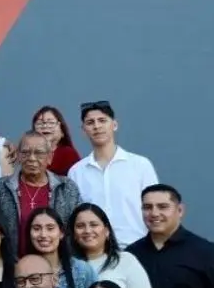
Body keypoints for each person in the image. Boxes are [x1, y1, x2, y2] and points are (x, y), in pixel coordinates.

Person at [67, 101, 159, 247]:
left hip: (137, 248)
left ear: (114, 125)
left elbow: (155, 207)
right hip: (94, 251)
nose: (97, 126)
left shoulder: (140, 165)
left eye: (102, 120)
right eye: (90, 122)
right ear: (84, 130)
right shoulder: (76, 172)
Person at [70, 203, 153, 288]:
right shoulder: (68, 266)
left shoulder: (125, 260)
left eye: (94, 224)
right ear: (73, 234)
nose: (87, 230)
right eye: (80, 226)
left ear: (107, 230)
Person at [0, 132, 81, 255]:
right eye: (25, 153)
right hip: (15, 266)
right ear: (18, 155)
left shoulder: (67, 188)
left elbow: (75, 229)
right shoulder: (1, 187)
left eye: (39, 153)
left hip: (57, 267)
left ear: (50, 157)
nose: (32, 158)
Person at [24, 207, 93, 288]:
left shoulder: (82, 269)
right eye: (37, 228)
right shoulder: (21, 271)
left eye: (50, 228)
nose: (43, 234)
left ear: (61, 233)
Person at [31, 106, 81, 179]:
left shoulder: (68, 154)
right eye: (40, 123)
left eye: (51, 122)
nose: (45, 126)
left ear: (62, 131)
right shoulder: (27, 153)